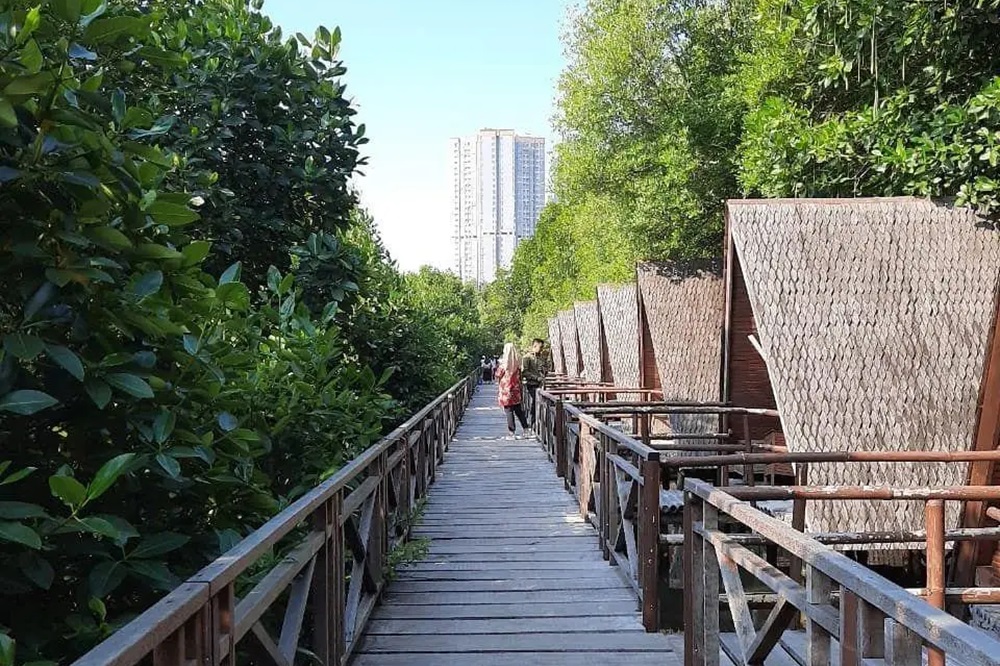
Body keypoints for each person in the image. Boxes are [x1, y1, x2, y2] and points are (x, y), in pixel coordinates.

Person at [495, 342, 529, 438]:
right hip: (516, 390)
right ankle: (526, 429)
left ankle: (512, 432)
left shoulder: (503, 366)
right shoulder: (517, 365)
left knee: (509, 411)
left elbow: (497, 375)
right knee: (518, 410)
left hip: (506, 391)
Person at [520, 338, 550, 431]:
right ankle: (533, 424)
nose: (541, 349)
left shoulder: (542, 358)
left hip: (541, 384)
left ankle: (540, 426)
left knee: (542, 404)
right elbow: (524, 372)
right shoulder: (527, 357)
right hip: (532, 384)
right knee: (534, 404)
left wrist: (545, 370)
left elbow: (545, 369)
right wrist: (536, 377)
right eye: (540, 347)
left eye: (542, 348)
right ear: (534, 346)